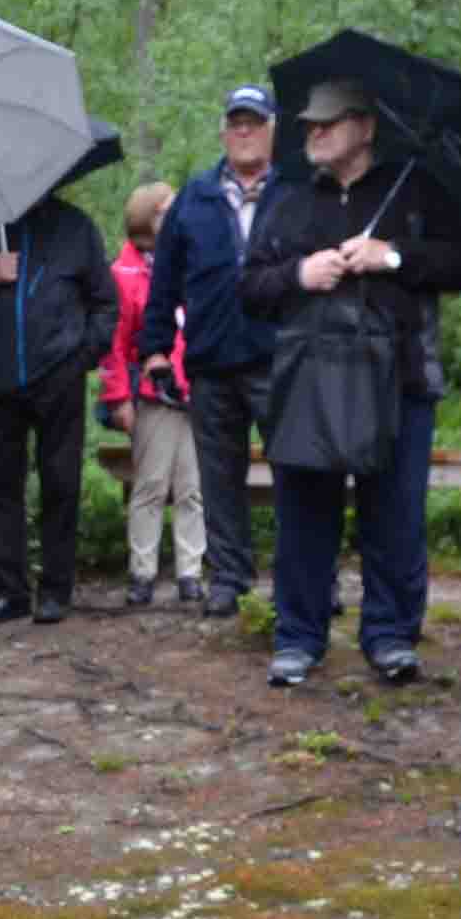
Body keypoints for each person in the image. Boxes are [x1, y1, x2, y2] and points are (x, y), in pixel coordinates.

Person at [235, 78, 461, 687]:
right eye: (309, 125)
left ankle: (392, 636)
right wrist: (301, 272)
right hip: (308, 382)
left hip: (401, 379)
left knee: (395, 514)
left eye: (329, 123)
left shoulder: (416, 188)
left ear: (365, 127)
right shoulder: (287, 198)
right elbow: (249, 289)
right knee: (304, 515)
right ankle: (298, 637)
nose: (314, 134)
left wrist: (390, 256)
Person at [138, 86, 284, 616]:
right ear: (223, 131)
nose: (244, 131)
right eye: (236, 122)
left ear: (272, 129)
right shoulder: (194, 199)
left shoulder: (294, 191)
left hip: (280, 357)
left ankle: (310, 578)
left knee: (298, 470)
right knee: (219, 477)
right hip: (212, 360)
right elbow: (164, 284)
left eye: (254, 121)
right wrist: (155, 350)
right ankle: (229, 577)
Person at [0, 177, 119, 626]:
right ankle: (10, 592)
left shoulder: (76, 228)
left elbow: (105, 302)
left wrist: (81, 355)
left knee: (60, 482)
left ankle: (56, 589)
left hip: (59, 377)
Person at [102, 181, 199, 607]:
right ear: (151, 217)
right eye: (169, 210)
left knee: (193, 488)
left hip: (196, 391)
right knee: (151, 486)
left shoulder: (190, 262)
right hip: (150, 394)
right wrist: (118, 397)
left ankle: (190, 573)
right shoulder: (122, 274)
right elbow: (114, 345)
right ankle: (142, 573)